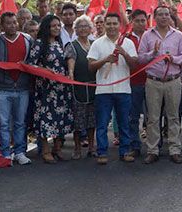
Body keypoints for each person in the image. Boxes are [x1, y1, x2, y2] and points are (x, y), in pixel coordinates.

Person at [138, 6, 182, 164]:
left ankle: (174, 148)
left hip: (173, 81)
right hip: (153, 81)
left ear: (170, 17)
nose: (164, 17)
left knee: (173, 116)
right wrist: (153, 54)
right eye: (160, 14)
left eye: (166, 14)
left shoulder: (178, 35)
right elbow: (140, 58)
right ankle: (153, 150)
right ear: (154, 17)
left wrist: (173, 59)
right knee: (153, 118)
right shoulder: (147, 35)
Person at [88, 13, 138, 165]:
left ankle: (125, 151)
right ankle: (102, 152)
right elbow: (90, 66)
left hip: (123, 89)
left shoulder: (127, 43)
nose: (111, 27)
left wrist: (124, 54)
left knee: (124, 123)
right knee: (102, 124)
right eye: (108, 24)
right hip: (103, 91)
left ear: (119, 25)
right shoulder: (97, 43)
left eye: (114, 24)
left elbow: (135, 65)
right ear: (104, 25)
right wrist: (105, 60)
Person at [28, 15, 74, 164]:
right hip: (46, 89)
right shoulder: (39, 43)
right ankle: (46, 150)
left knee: (59, 118)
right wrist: (46, 71)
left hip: (61, 88)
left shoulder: (60, 43)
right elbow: (31, 64)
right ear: (46, 27)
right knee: (45, 119)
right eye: (53, 26)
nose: (56, 28)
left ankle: (57, 148)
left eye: (58, 26)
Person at [0, 12, 34, 165]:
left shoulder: (27, 39)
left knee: (20, 122)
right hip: (2, 88)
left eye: (14, 22)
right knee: (3, 123)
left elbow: (34, 61)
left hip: (22, 88)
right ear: (2, 25)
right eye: (8, 23)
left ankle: (20, 152)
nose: (12, 25)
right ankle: (6, 153)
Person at [64, 15, 97, 160]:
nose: (83, 29)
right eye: (80, 26)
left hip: (94, 86)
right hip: (78, 88)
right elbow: (71, 63)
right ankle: (77, 148)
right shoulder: (72, 46)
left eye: (86, 26)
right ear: (75, 30)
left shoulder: (95, 43)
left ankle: (91, 146)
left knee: (92, 120)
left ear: (91, 29)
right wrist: (70, 73)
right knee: (78, 120)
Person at [125, 9, 148, 157]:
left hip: (151, 81)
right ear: (131, 22)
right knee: (133, 116)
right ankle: (135, 145)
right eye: (137, 21)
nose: (140, 23)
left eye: (143, 20)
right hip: (132, 82)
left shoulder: (152, 36)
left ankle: (154, 146)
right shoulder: (125, 39)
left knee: (152, 116)